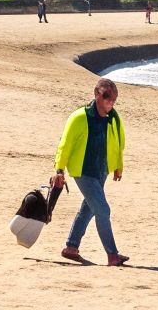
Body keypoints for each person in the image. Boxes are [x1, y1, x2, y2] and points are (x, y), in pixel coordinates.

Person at [54, 77, 129, 267]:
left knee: (88, 208)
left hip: (101, 171)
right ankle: (112, 255)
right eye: (106, 96)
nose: (110, 101)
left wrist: (118, 166)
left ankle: (71, 248)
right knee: (103, 209)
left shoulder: (114, 118)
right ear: (96, 94)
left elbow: (119, 143)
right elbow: (65, 145)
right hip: (83, 171)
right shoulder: (80, 117)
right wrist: (59, 170)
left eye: (114, 98)